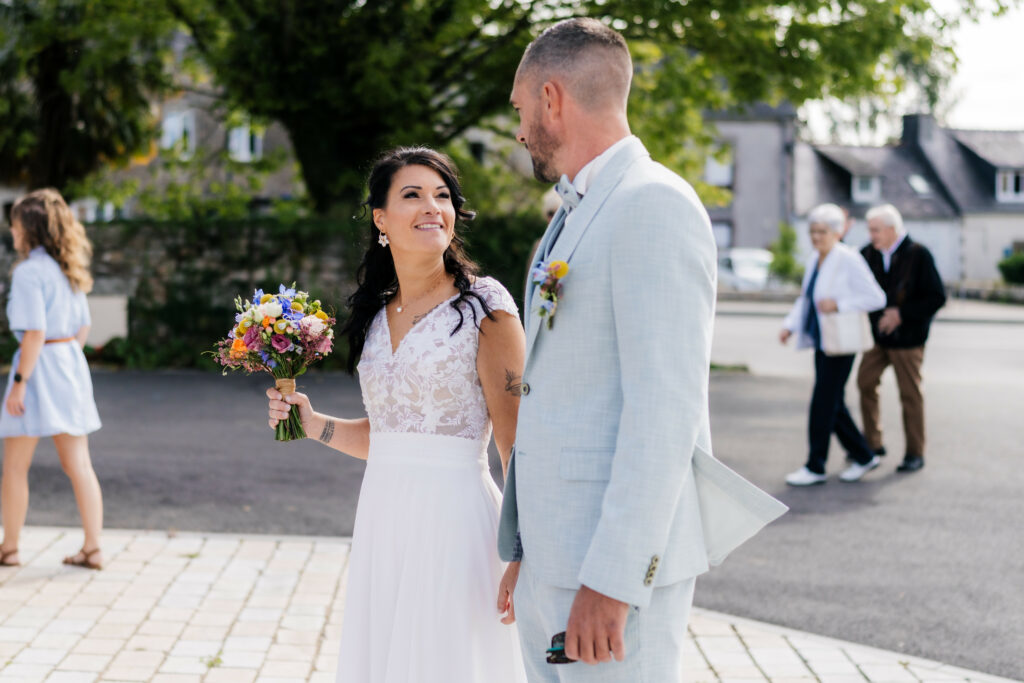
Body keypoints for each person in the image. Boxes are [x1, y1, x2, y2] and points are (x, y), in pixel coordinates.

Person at [499, 18, 786, 682]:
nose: (519, 130)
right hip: (551, 557)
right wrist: (526, 545)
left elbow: (665, 409)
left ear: (551, 99)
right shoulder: (570, 216)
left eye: (519, 110)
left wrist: (614, 577)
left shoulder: (653, 203)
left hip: (605, 569)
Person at [265, 147, 528, 682]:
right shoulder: (376, 315)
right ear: (381, 220)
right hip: (384, 517)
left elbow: (517, 441)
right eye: (413, 195)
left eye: (443, 195)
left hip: (455, 523)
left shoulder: (484, 306)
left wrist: (525, 551)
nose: (433, 206)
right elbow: (392, 437)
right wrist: (313, 423)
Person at [0, 188, 104, 569]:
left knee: (14, 465)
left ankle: (9, 548)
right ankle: (94, 547)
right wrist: (66, 358)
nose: (11, 233)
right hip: (67, 364)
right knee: (78, 463)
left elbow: (33, 333)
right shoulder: (69, 269)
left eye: (14, 226)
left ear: (29, 229)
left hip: (37, 367)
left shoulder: (29, 272)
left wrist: (20, 382)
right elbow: (83, 326)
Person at [780, 203, 887, 486]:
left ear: (838, 232)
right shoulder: (815, 259)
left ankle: (815, 466)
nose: (816, 237)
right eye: (813, 231)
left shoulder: (848, 258)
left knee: (822, 403)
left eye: (822, 232)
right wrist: (789, 326)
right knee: (834, 403)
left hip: (841, 343)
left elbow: (877, 298)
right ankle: (864, 456)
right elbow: (805, 298)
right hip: (821, 340)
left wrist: (839, 304)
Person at [856, 203, 946, 472]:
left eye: (876, 230)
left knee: (910, 395)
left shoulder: (919, 254)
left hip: (908, 340)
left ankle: (914, 453)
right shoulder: (866, 253)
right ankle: (873, 444)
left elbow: (937, 297)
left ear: (892, 229)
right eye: (870, 230)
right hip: (878, 339)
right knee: (865, 383)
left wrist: (901, 314)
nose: (871, 235)